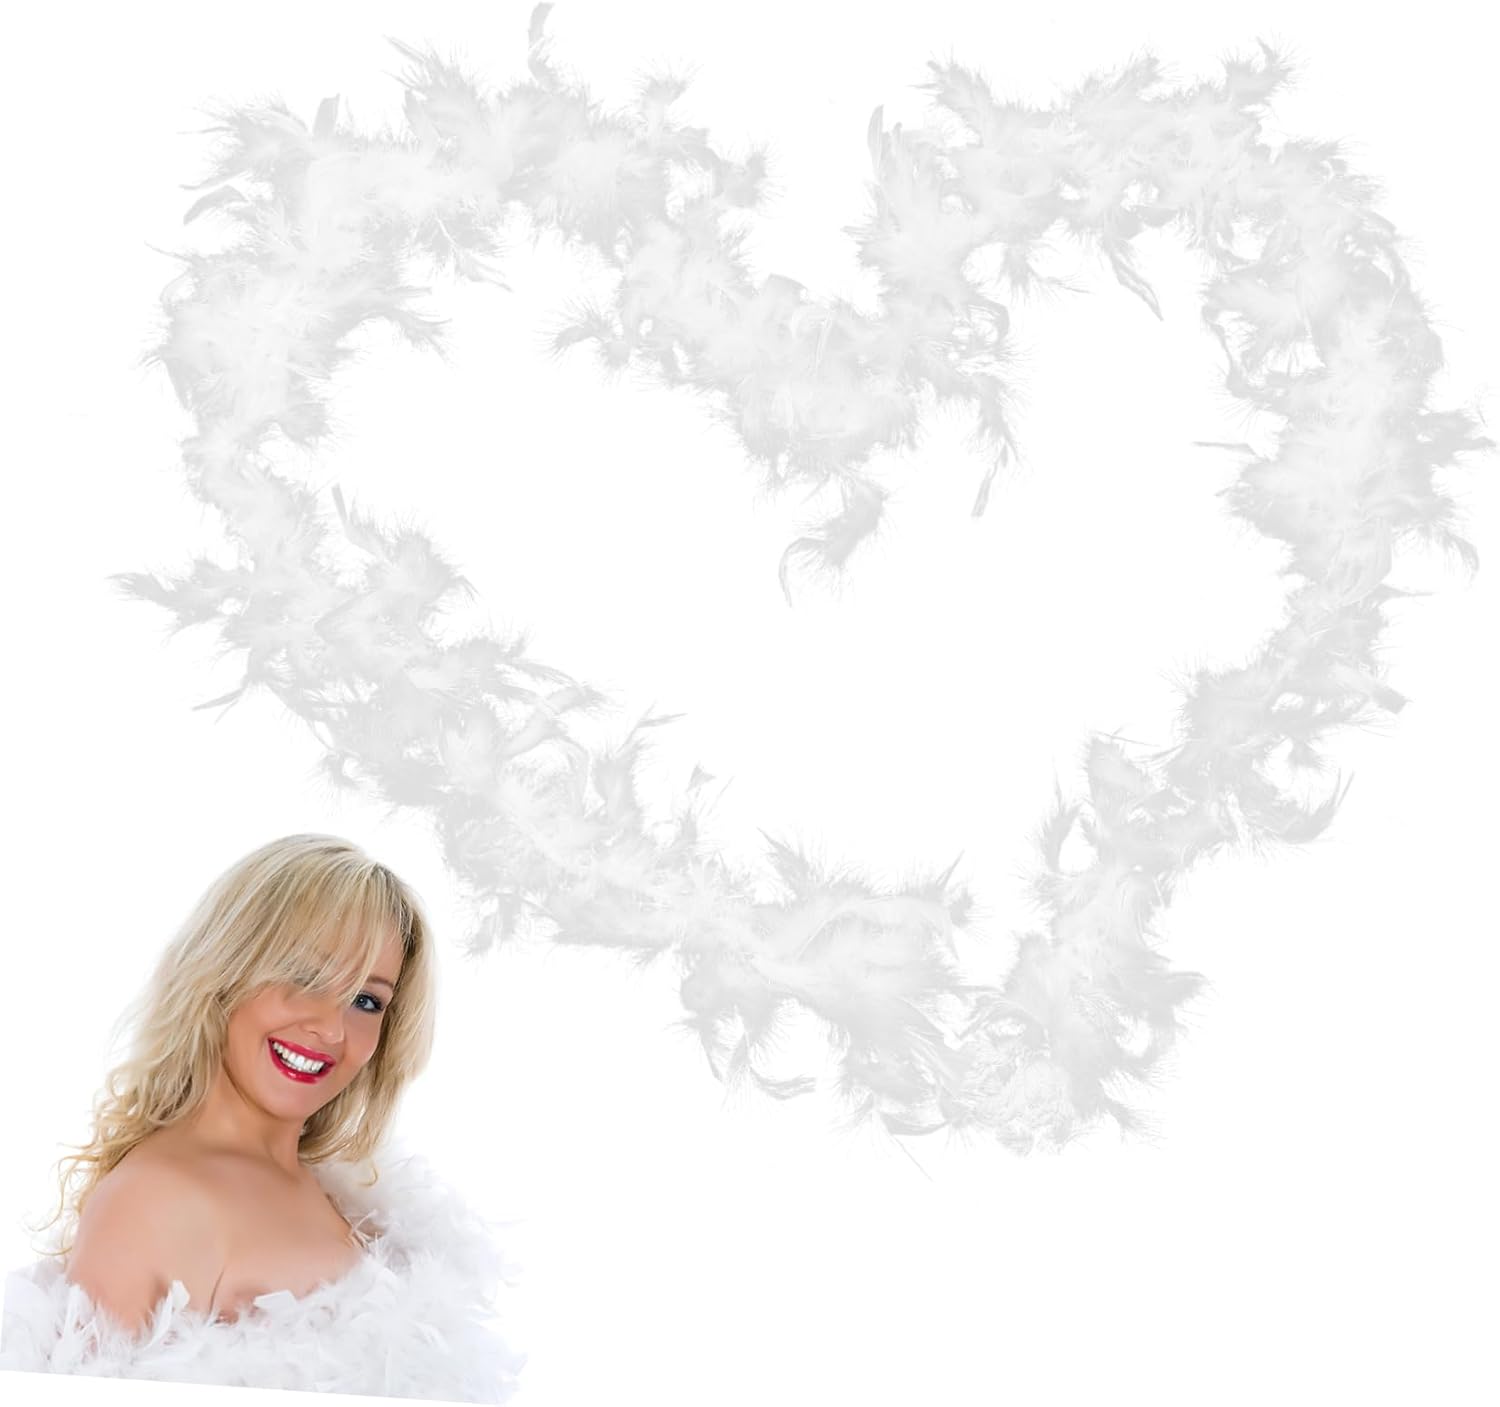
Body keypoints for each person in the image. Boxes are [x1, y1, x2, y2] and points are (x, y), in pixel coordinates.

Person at [0, 834, 526, 1402]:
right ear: (226, 969)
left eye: (366, 1001)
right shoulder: (152, 1201)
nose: (331, 1028)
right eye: (305, 978)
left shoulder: (353, 1199)